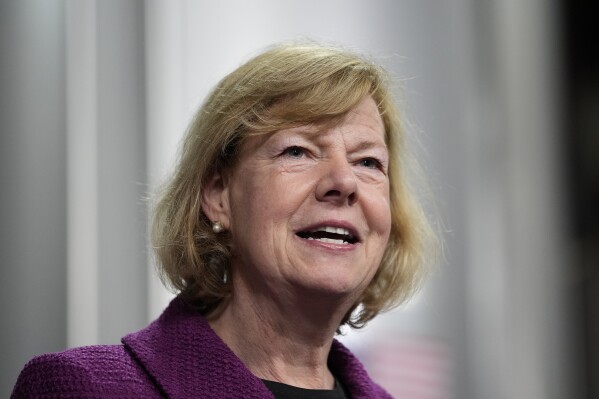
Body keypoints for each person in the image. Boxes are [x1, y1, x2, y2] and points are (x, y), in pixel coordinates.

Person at [12, 42, 436, 398]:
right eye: (298, 151)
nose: (344, 181)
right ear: (218, 195)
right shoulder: (83, 388)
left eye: (368, 161)